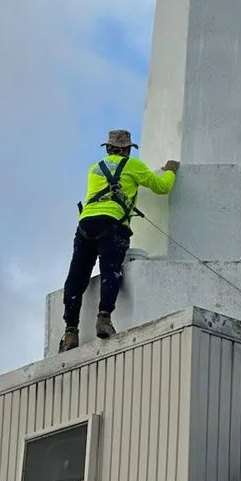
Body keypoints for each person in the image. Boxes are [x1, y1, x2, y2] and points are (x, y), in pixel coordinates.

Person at [60, 129, 179, 351]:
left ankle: (70, 332)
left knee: (76, 276)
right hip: (113, 224)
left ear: (107, 148)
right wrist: (171, 171)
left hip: (86, 223)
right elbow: (162, 188)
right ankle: (104, 318)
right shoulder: (133, 166)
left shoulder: (94, 169)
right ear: (127, 150)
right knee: (110, 271)